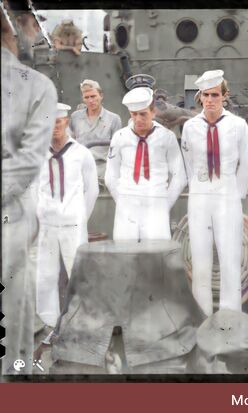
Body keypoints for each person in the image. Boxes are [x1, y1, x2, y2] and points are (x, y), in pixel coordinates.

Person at [1, 0, 58, 374]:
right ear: (19, 27)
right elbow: (27, 162)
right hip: (11, 217)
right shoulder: (38, 86)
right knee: (14, 320)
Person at [181, 69, 248, 316]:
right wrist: (200, 189)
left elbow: (246, 163)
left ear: (225, 96)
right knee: (200, 262)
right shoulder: (191, 127)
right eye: (205, 95)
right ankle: (203, 317)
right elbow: (188, 162)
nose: (210, 100)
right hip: (200, 197)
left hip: (227, 196)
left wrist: (236, 195)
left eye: (214, 95)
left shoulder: (238, 125)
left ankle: (230, 317)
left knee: (230, 260)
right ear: (199, 97)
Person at [36, 103, 99, 328]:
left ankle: (80, 323)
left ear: (66, 122)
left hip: (73, 224)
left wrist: (81, 218)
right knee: (45, 276)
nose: (55, 126)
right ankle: (48, 323)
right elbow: (32, 189)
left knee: (78, 275)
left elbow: (92, 190)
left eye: (59, 121)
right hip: (47, 225)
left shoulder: (81, 154)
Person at [105, 86, 186, 241]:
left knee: (156, 256)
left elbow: (179, 176)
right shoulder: (120, 137)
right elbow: (111, 176)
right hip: (127, 203)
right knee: (125, 253)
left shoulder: (166, 137)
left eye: (143, 114)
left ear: (153, 111)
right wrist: (123, 200)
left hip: (156, 201)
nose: (138, 119)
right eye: (134, 114)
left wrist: (164, 204)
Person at [70, 79, 122, 188]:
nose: (90, 100)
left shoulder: (114, 119)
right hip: (79, 172)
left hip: (103, 174)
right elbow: (70, 143)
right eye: (86, 97)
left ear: (101, 96)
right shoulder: (75, 117)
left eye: (93, 96)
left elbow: (117, 151)